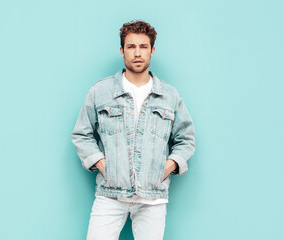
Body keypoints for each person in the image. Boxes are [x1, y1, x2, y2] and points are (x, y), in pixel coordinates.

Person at [71, 20, 195, 240]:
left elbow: (186, 139)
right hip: (110, 193)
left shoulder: (170, 95)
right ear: (122, 51)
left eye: (143, 46)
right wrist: (101, 164)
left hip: (153, 197)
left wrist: (168, 166)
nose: (137, 53)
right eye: (131, 47)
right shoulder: (101, 91)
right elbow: (82, 134)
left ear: (152, 50)